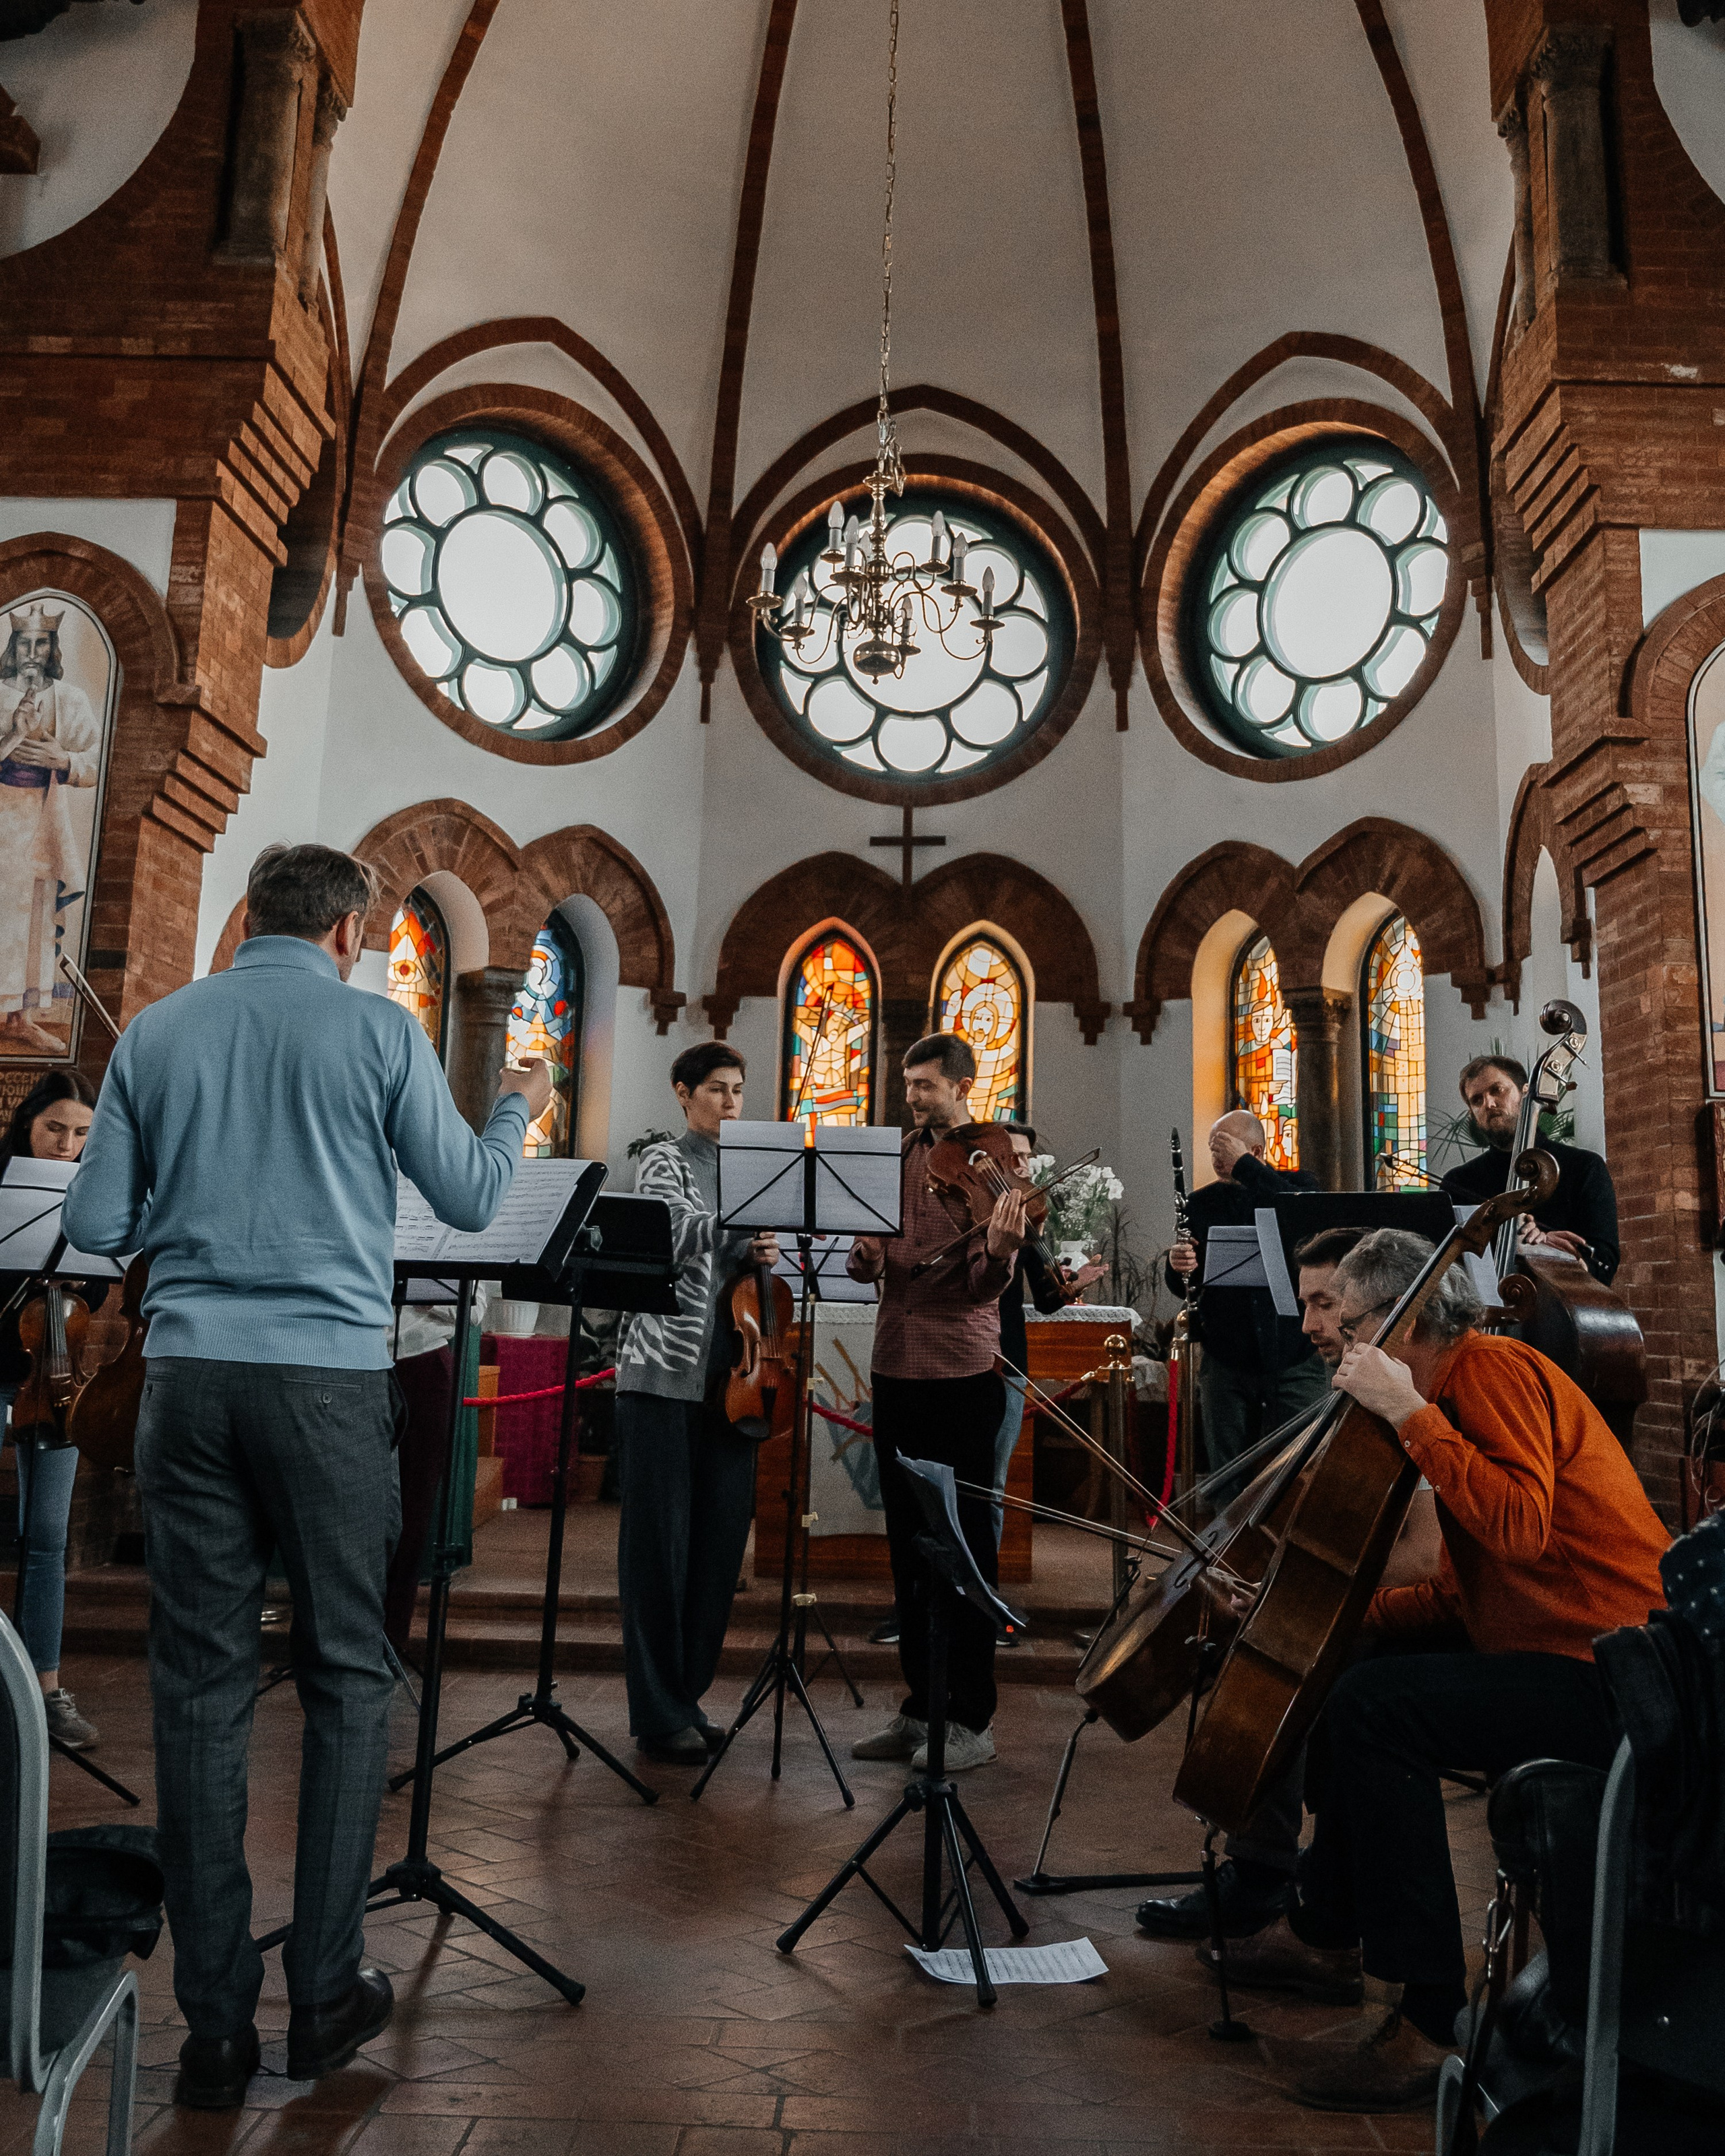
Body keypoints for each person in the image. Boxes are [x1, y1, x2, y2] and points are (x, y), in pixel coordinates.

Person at [62, 842, 552, 2113]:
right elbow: (468, 1193)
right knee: (346, 1671)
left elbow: (98, 1226)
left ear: (252, 919)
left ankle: (214, 2023)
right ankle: (325, 1991)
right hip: (328, 1381)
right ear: (347, 931)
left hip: (187, 1384)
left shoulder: (159, 1033)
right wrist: (515, 1109)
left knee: (199, 1682)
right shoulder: (379, 1034)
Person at [1218, 1228, 1667, 2113]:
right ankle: (1324, 1933)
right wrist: (1331, 1619)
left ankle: (1428, 2019)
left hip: (1617, 1670)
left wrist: (1407, 1412)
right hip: (1556, 1650)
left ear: (1407, 1316)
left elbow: (1519, 1531)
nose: (1343, 1349)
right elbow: (1469, 1591)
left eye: (1352, 1328)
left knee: (1378, 1710)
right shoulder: (1453, 1390)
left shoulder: (1486, 1372)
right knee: (1367, 1670)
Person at [1137, 1224, 1364, 1944]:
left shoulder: (1416, 1386)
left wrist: (1304, 1602)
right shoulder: (1361, 1383)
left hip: (1444, 1624)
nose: (1310, 1326)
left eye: (1326, 1304)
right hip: (1391, 1601)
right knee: (1264, 1635)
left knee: (1280, 1655)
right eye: (1306, 1304)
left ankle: (1272, 1876)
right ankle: (1270, 1868)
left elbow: (1435, 1560)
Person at [846, 1034, 1026, 1772]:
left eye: (925, 1085)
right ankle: (922, 1707)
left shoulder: (991, 1160)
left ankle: (970, 1719)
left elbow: (986, 1284)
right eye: (908, 1084)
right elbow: (879, 1258)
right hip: (895, 1360)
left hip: (960, 1368)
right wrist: (866, 1259)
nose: (914, 1097)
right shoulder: (891, 1159)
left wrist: (1005, 1251)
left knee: (965, 1549)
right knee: (909, 1548)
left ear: (961, 1084)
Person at [613, 1042, 778, 1763]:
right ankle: (656, 1710)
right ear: (683, 1093)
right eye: (716, 1089)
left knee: (716, 1547)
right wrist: (745, 1231)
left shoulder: (755, 1166)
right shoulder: (663, 1159)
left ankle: (686, 1693)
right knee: (659, 1547)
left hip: (734, 1379)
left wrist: (768, 1251)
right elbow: (673, 1231)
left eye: (739, 1089)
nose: (731, 1102)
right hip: (662, 1379)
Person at [0, 1069, 100, 1747]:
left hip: (55, 1374)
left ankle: (44, 1688)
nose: (66, 1145)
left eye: (81, 1134)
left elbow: (102, 1283)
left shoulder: (100, 1197)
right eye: (54, 1129)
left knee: (46, 1535)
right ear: (28, 1126)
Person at [1166, 1109, 1329, 1504]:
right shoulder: (1199, 1204)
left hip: (1295, 1350)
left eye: (1227, 1147)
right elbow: (1185, 1285)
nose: (1217, 1156)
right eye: (1213, 1148)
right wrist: (1177, 1265)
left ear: (1257, 1150)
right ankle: (1225, 1557)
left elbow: (1300, 1216)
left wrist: (1246, 1168)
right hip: (1227, 1353)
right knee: (1226, 1472)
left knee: (1303, 1463)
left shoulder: (1297, 1187)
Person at [0, 602, 102, 1056]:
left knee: (35, 917)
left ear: (52, 648)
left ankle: (20, 1019)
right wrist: (13, 735)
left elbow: (97, 761)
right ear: (13, 646)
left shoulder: (71, 700)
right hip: (1, 815)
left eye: (41, 642)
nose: (32, 651)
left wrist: (63, 761)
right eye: (25, 642)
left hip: (41, 820)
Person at [1440, 1054, 1620, 1283]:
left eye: (1498, 1090)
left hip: (1561, 1312)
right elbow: (1449, 1270)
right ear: (1472, 1115)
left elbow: (1604, 1262)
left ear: (1525, 1093)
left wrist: (1550, 1252)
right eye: (1477, 1100)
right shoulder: (1458, 1182)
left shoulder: (1584, 1167)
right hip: (1482, 1316)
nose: (1489, 1104)